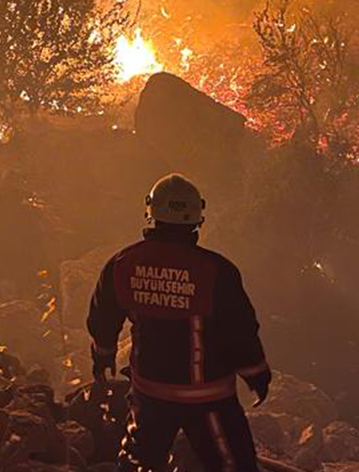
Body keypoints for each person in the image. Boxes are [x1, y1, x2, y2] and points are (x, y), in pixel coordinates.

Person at [87, 173, 271, 471]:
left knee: (139, 463)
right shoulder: (216, 270)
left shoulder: (123, 264)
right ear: (197, 218)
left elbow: (103, 317)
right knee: (231, 464)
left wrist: (103, 356)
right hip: (209, 398)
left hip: (150, 393)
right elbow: (240, 332)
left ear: (151, 213)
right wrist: (257, 375)